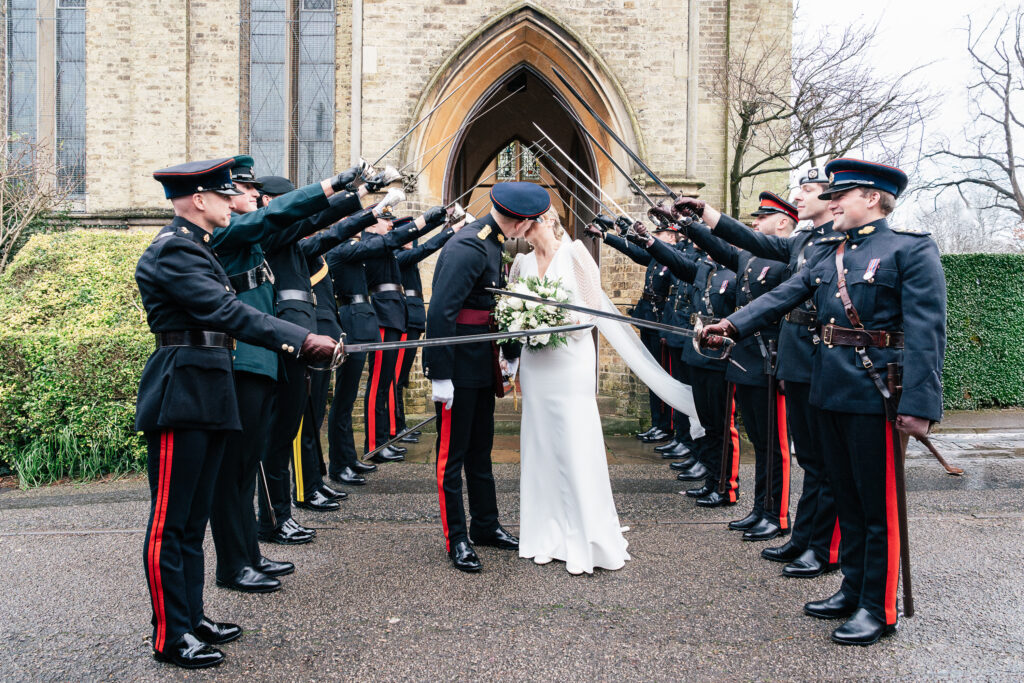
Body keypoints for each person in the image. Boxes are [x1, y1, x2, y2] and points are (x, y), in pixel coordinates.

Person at [700, 159, 946, 645]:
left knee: (878, 507)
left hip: (877, 395)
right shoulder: (829, 254)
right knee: (847, 498)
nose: (831, 202)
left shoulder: (909, 250)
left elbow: (926, 334)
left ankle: (879, 608)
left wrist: (919, 404)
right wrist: (730, 326)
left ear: (872, 199)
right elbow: (785, 295)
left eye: (842, 195)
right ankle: (852, 588)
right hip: (828, 388)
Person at [136, 158, 336, 668]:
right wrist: (301, 340)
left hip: (206, 389)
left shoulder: (198, 249)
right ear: (199, 199)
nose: (234, 203)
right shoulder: (174, 250)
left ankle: (192, 615)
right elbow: (227, 313)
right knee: (171, 523)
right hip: (183, 394)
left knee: (194, 518)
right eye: (225, 196)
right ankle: (169, 634)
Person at [207, 157, 366, 592]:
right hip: (246, 357)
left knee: (250, 464)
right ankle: (236, 562)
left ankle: (250, 553)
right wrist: (332, 185)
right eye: (240, 190)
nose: (252, 196)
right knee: (239, 469)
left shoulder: (251, 231)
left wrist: (355, 196)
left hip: (265, 357)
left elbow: (301, 223)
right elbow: (280, 215)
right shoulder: (228, 231)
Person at [678, 169, 842, 576]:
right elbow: (746, 243)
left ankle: (801, 533)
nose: (801, 195)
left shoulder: (835, 243)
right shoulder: (803, 242)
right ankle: (797, 535)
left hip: (802, 357)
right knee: (802, 454)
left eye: (809, 189)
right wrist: (703, 218)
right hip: (782, 356)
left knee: (799, 454)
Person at [421, 182, 540, 573]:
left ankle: (486, 525)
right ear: (520, 223)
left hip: (480, 365)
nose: (531, 228)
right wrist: (441, 375)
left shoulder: (492, 243)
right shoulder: (469, 245)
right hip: (457, 368)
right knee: (451, 458)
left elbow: (494, 308)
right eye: (531, 223)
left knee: (480, 453)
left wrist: (508, 355)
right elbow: (440, 311)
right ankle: (457, 537)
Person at [512, 210, 629, 573]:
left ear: (548, 221)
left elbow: (594, 310)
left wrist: (556, 324)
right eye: (520, 226)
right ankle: (544, 533)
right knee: (541, 442)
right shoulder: (521, 263)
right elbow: (511, 310)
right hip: (536, 365)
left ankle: (584, 533)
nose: (523, 231)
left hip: (570, 360)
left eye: (528, 223)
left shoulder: (576, 252)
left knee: (575, 440)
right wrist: (522, 332)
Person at [680, 193, 795, 541]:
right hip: (744, 359)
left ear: (783, 222)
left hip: (769, 360)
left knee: (774, 444)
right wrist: (691, 224)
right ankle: (760, 508)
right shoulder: (750, 256)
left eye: (763, 218)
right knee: (759, 442)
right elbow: (723, 249)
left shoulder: (788, 256)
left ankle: (776, 513)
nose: (755, 224)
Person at [591, 221, 675, 443]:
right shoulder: (657, 256)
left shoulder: (674, 260)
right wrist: (606, 235)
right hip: (648, 319)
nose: (655, 237)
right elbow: (635, 252)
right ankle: (658, 422)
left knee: (664, 373)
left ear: (673, 237)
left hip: (661, 323)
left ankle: (667, 425)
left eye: (661, 233)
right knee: (652, 373)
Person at [390, 220, 463, 442]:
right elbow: (425, 249)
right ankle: (395, 428)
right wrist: (450, 232)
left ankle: (399, 425)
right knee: (395, 377)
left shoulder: (405, 255)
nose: (412, 242)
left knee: (400, 378)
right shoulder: (396, 256)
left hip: (412, 319)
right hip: (404, 319)